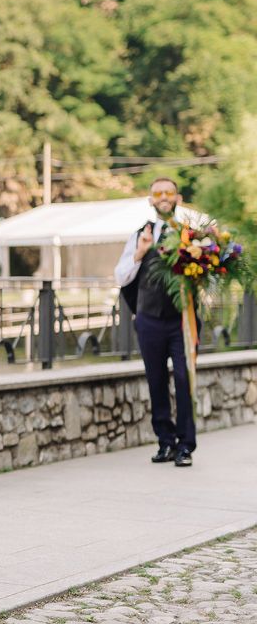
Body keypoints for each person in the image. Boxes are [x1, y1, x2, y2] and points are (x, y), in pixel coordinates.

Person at [114, 177, 195, 467]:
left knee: (185, 380)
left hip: (181, 321)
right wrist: (140, 251)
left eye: (169, 192)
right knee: (156, 381)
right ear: (150, 200)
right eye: (158, 193)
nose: (163, 196)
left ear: (178, 198)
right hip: (148, 319)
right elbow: (121, 276)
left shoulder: (192, 236)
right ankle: (165, 442)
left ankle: (186, 445)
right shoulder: (140, 235)